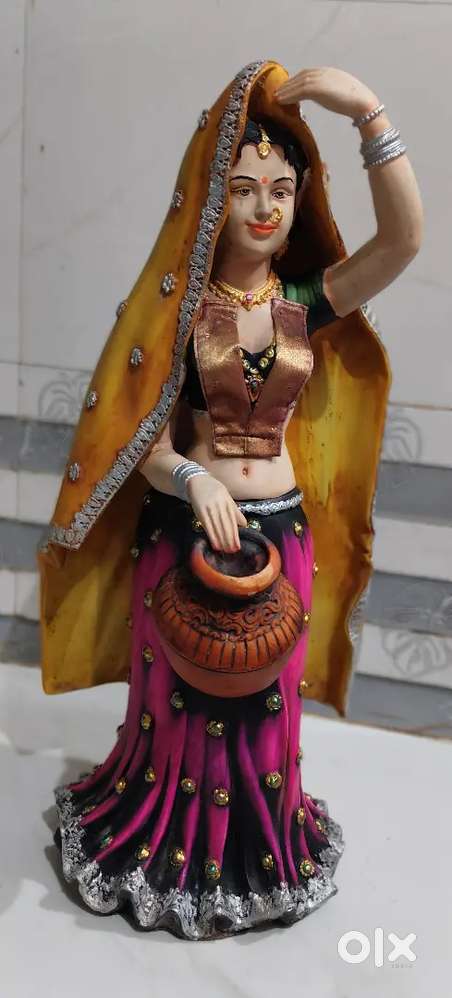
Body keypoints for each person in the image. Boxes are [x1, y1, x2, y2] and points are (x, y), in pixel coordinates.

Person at [38, 62, 423, 940]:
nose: (263, 208)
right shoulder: (175, 316)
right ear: (211, 198)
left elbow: (403, 242)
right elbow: (139, 442)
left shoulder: (302, 305)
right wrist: (194, 478)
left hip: (280, 540)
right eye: (244, 188)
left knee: (261, 717)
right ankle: (169, 851)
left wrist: (369, 114)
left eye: (281, 191)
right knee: (180, 712)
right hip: (184, 534)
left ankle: (256, 850)